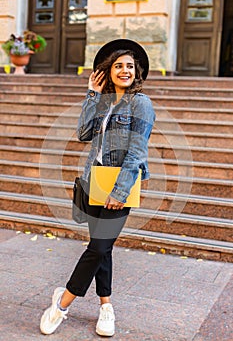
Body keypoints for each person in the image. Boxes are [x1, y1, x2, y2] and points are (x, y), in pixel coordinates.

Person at [40, 39, 155, 337]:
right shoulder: (104, 103)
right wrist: (92, 94)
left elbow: (137, 152)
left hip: (118, 189)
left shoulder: (140, 103)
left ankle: (62, 304)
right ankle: (106, 305)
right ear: (108, 71)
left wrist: (119, 192)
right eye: (118, 66)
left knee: (98, 247)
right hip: (94, 183)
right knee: (102, 249)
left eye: (130, 66)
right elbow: (82, 134)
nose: (125, 70)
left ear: (137, 71)